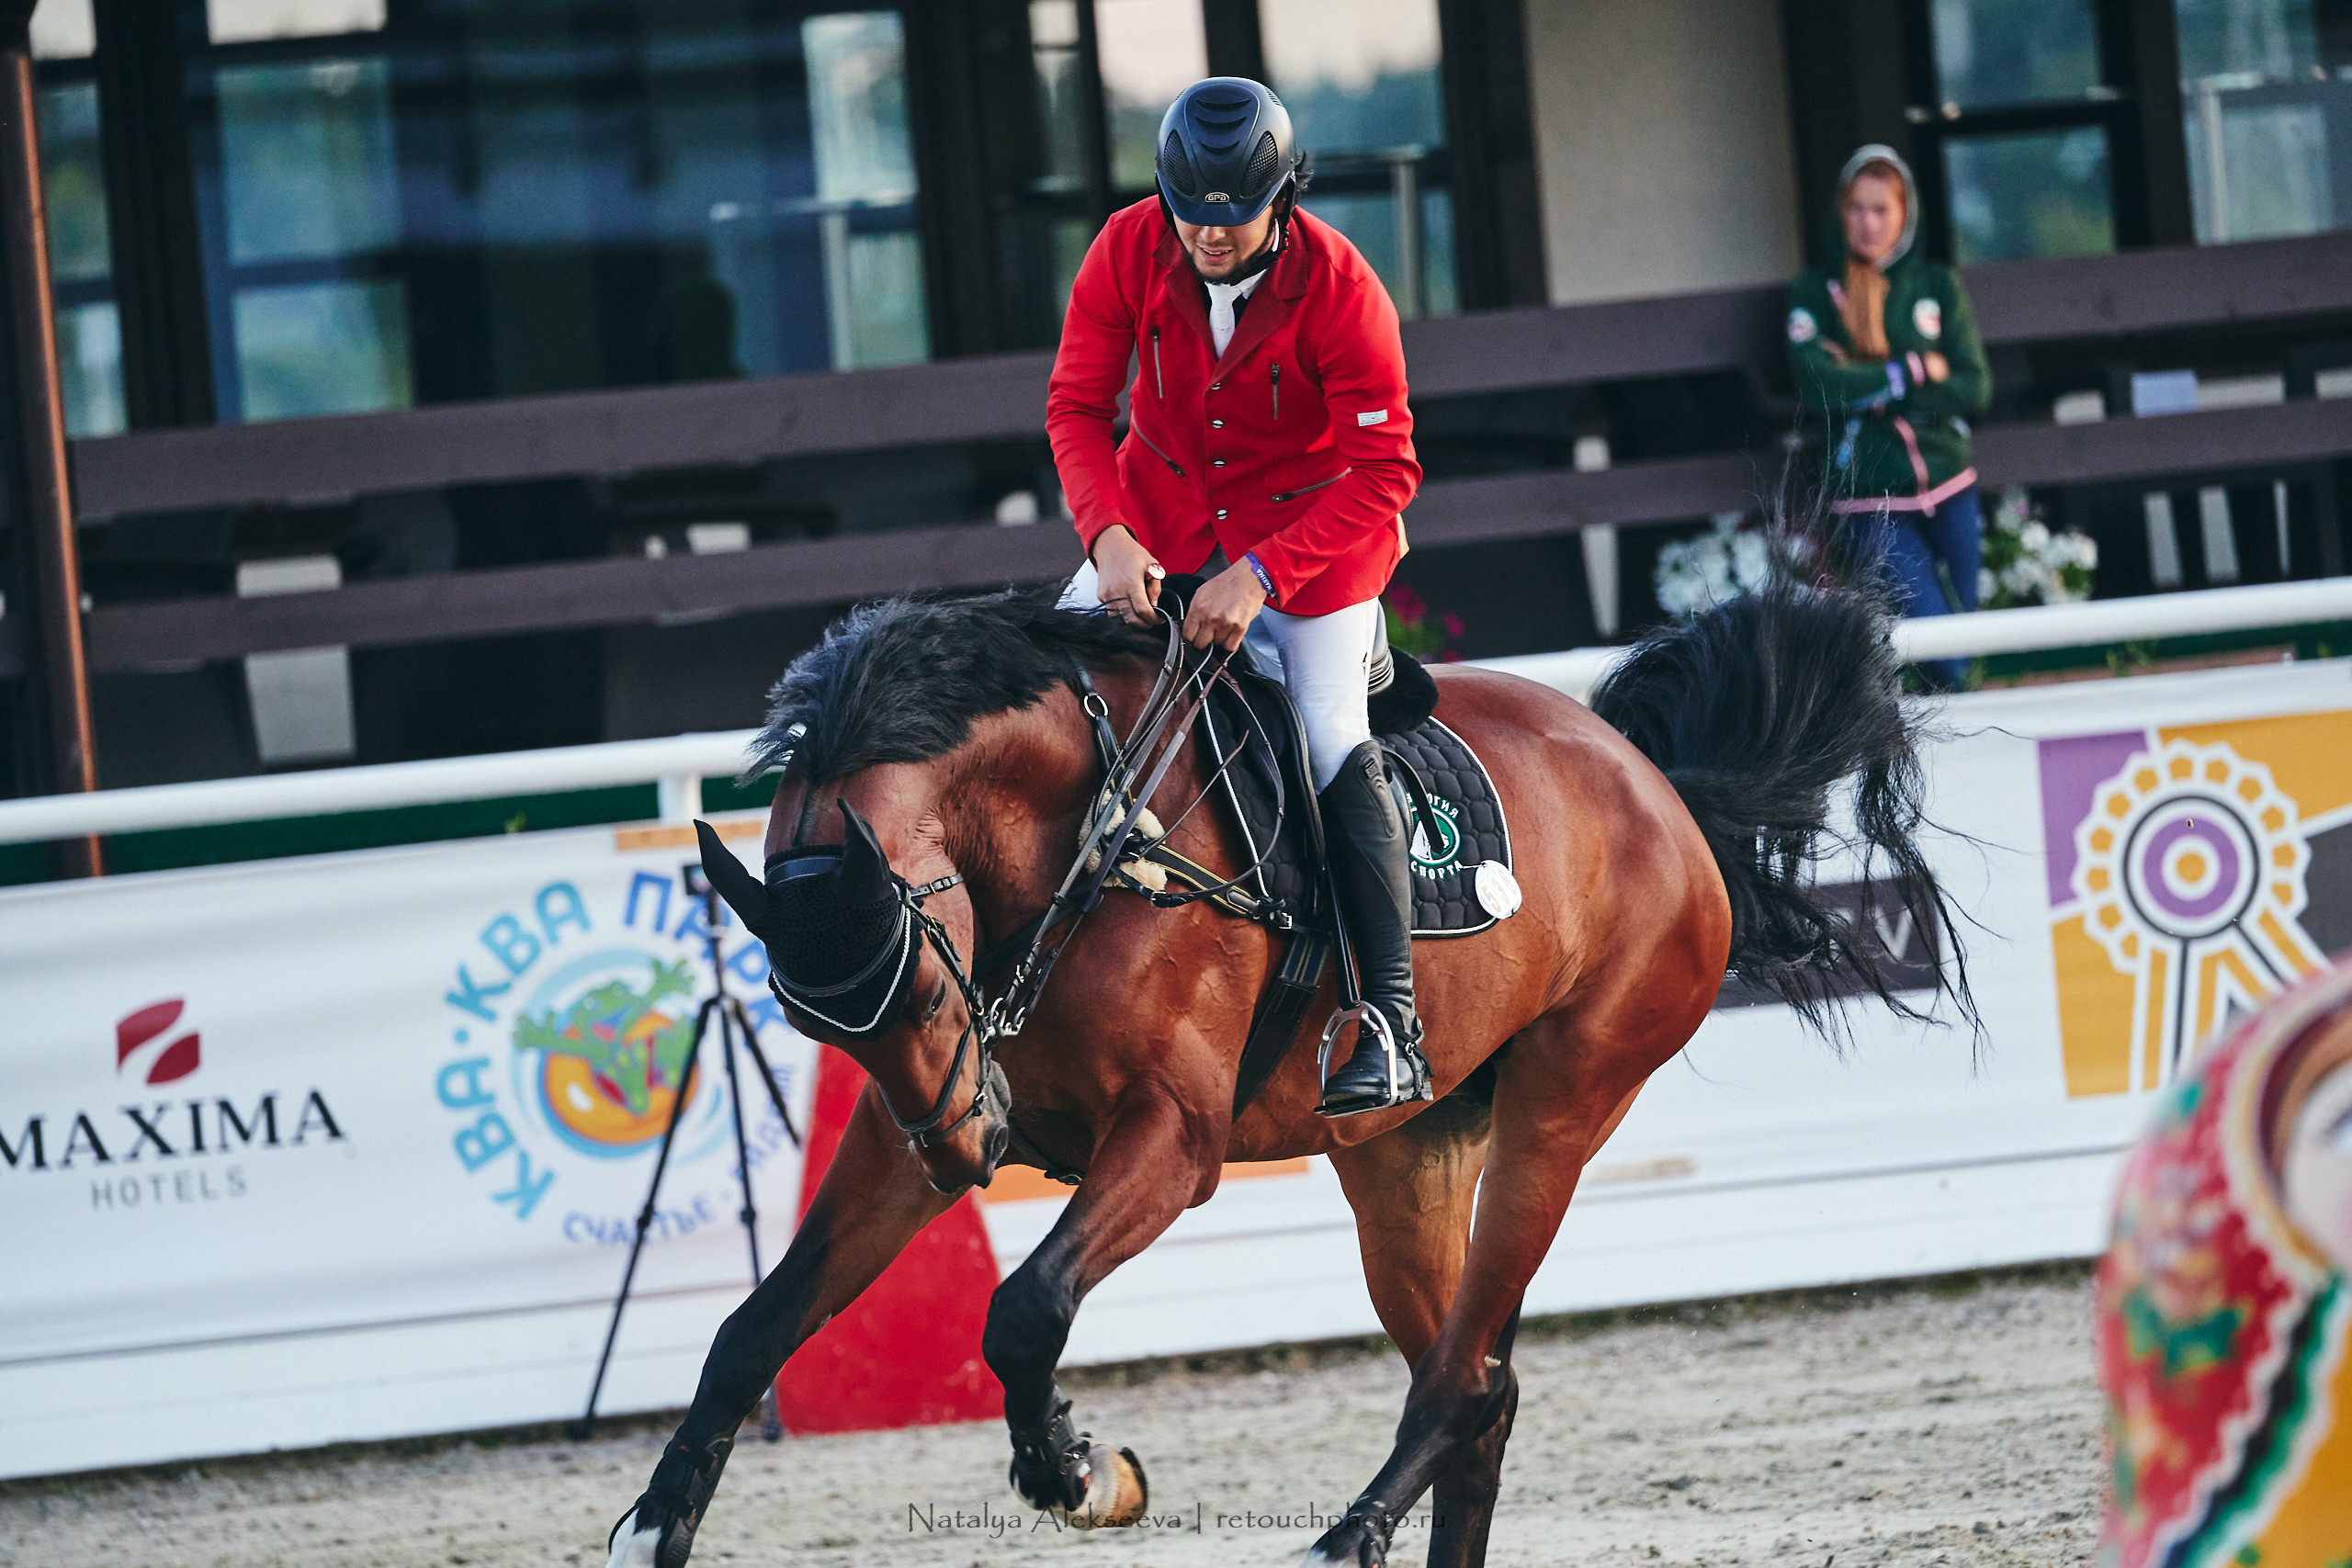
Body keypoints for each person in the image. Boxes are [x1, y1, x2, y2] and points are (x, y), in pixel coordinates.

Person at [1046, 76, 1425, 1117]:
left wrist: (1261, 575)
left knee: (1327, 732)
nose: (1208, 238)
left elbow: (1385, 471)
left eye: (1233, 218)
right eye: (1191, 215)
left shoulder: (1341, 288)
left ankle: (1390, 1022)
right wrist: (1107, 534)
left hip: (1312, 554)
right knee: (1048, 691)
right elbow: (1077, 406)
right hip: (1155, 529)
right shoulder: (1127, 246)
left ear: (1284, 196)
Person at [1788, 145, 1991, 691]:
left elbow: (1974, 385)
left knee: (1967, 641)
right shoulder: (1814, 294)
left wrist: (1867, 378)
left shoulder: (1937, 285)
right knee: (1945, 655)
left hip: (1951, 483)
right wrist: (1914, 372)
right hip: (1869, 498)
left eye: (1882, 210)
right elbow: (1819, 386)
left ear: (1906, 215)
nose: (1868, 223)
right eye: (1857, 208)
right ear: (1840, 213)